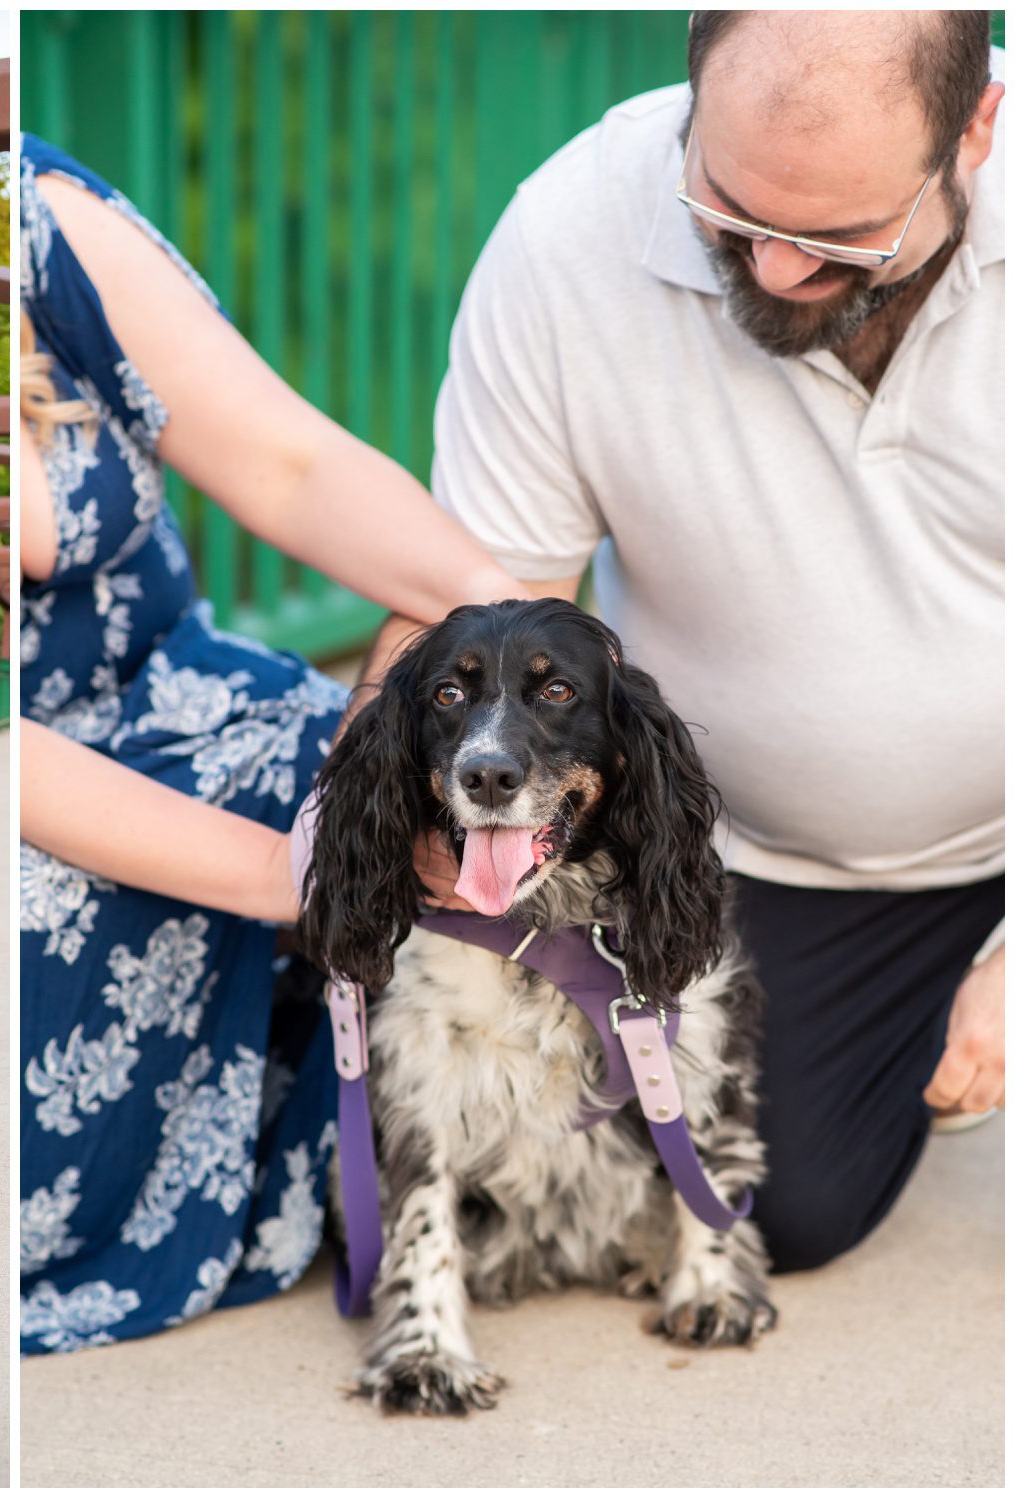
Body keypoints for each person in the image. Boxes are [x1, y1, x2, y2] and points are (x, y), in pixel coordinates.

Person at [361, 10, 1004, 1272]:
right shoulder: (566, 231)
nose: (769, 272)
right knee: (766, 1207)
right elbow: (500, 606)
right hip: (757, 849)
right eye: (728, 205)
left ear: (975, 134)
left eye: (836, 235)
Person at [17, 136, 526, 1352]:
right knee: (51, 913)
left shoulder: (32, 216)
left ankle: (455, 1159)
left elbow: (288, 466)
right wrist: (297, 872)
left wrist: (487, 618)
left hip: (174, 682)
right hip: (21, 762)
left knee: (368, 761)